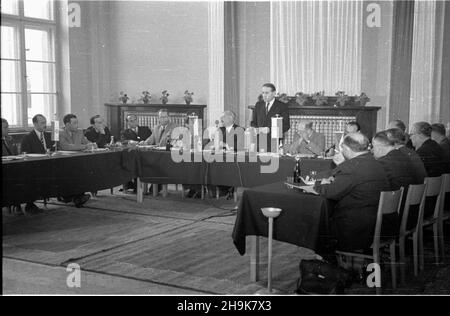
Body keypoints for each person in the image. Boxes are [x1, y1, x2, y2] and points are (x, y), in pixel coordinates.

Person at [314, 133, 392, 254]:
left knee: (319, 223)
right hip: (381, 223)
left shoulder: (350, 167)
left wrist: (321, 184)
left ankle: (328, 265)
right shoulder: (376, 162)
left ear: (347, 149)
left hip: (357, 228)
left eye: (342, 148)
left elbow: (329, 192)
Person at [250, 83, 290, 152]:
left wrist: (270, 130)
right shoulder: (258, 105)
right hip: (259, 142)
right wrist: (255, 129)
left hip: (273, 142)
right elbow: (254, 122)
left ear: (274, 93)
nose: (264, 95)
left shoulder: (282, 106)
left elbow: (286, 125)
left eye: (267, 93)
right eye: (263, 93)